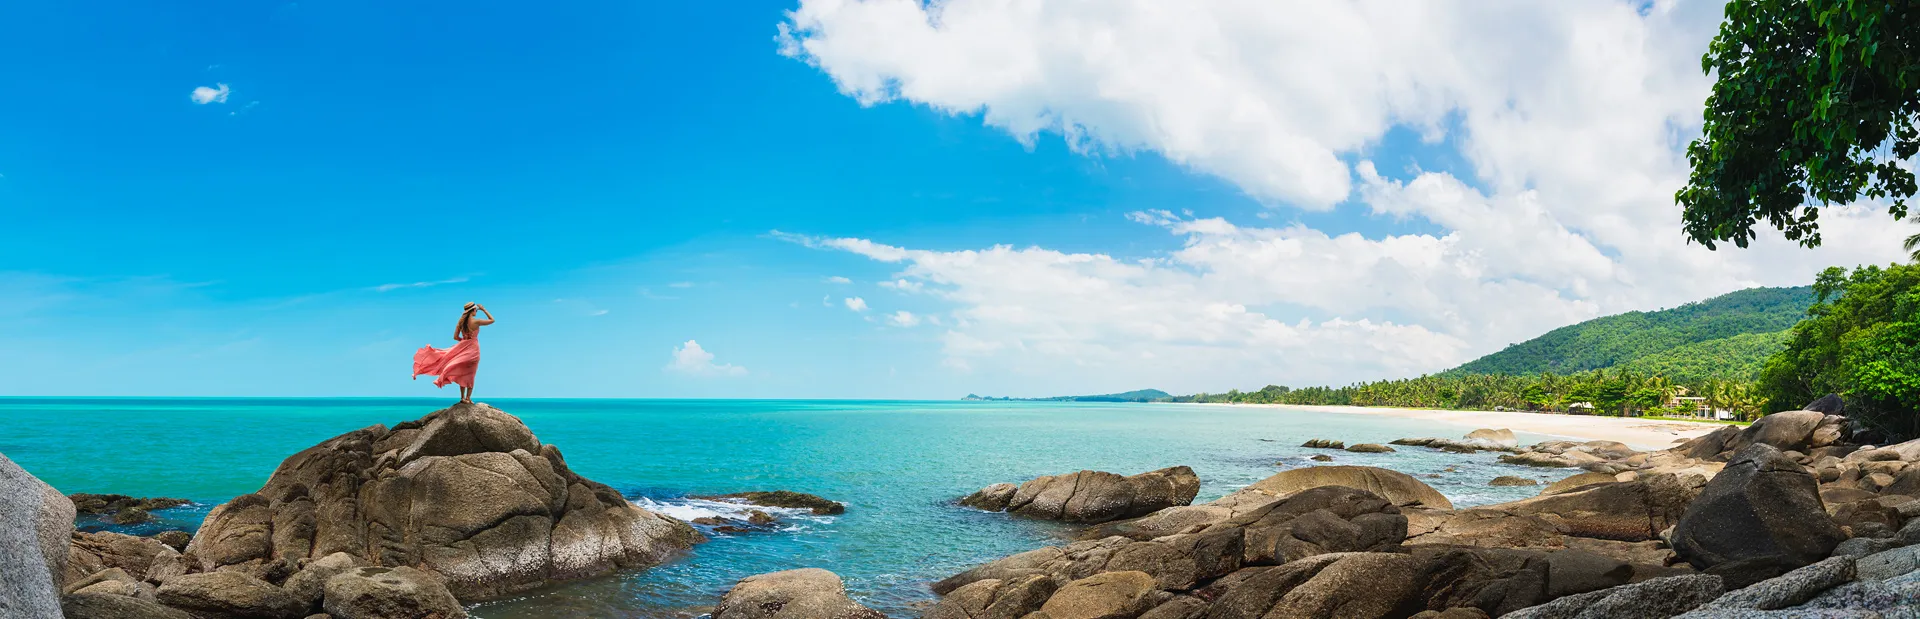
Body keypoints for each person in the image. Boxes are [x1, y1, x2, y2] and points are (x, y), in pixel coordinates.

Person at [412, 302, 493, 403]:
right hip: (473, 350)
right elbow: (492, 320)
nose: (476, 311)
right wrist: (484, 309)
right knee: (471, 373)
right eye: (476, 309)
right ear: (473, 310)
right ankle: (468, 398)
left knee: (462, 373)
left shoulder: (461, 322)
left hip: (463, 347)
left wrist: (464, 341)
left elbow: (455, 337)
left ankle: (462, 398)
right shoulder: (476, 322)